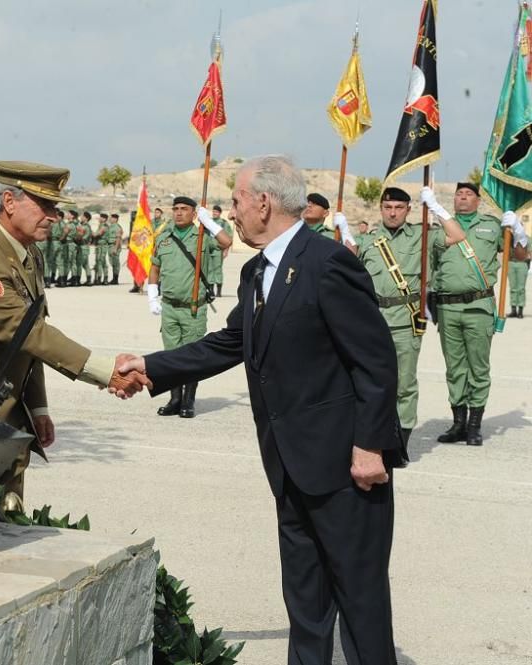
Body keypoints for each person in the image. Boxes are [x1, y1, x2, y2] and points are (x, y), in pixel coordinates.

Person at [117, 155, 404, 665]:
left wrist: (370, 446)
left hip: (344, 467)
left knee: (360, 603)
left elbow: (376, 361)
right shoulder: (256, 271)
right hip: (289, 464)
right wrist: (151, 365)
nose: (232, 212)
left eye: (237, 201)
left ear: (264, 202)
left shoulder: (328, 262)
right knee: (306, 602)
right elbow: (230, 342)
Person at [0, 160, 147, 511]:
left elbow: (25, 337)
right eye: (45, 205)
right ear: (9, 202)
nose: (54, 215)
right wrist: (105, 370)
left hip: (0, 410)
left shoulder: (27, 255)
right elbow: (28, 333)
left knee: (1, 523)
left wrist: (37, 407)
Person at [357, 187, 465, 449]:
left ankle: (401, 440)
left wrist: (436, 207)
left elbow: (457, 235)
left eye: (398, 207)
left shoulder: (421, 237)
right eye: (387, 207)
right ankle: (374, 435)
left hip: (405, 321)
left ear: (408, 209)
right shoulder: (367, 241)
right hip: (373, 322)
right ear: (380, 209)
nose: (392, 213)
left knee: (404, 383)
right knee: (369, 382)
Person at [428, 183, 529, 445]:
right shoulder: (440, 231)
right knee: (454, 368)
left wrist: (519, 232)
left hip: (478, 307)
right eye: (458, 194)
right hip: (448, 308)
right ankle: (458, 423)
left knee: (478, 368)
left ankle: (474, 425)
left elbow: (520, 255)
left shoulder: (493, 226)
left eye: (468, 194)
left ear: (477, 200)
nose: (462, 198)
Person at [146, 196, 232, 418]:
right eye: (175, 209)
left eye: (184, 209)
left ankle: (188, 400)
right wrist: (153, 295)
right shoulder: (164, 238)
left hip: (193, 307)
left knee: (192, 356)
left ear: (194, 213)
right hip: (170, 308)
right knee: (171, 355)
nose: (178, 212)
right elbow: (154, 268)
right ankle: (175, 398)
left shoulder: (202, 237)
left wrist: (208, 222)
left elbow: (226, 242)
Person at [93, 213, 111, 284]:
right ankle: (100, 278)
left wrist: (90, 232)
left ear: (104, 219)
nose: (99, 219)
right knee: (99, 261)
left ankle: (102, 279)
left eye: (100, 218)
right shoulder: (101, 225)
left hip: (102, 246)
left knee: (101, 261)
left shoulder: (104, 226)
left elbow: (98, 234)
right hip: (99, 245)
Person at [106, 212, 123, 284]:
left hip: (114, 245)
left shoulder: (117, 227)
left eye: (112, 218)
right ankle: (114, 278)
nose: (110, 219)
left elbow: (118, 238)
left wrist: (115, 248)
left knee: (115, 263)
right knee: (112, 262)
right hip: (110, 245)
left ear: (115, 219)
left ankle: (115, 279)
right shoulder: (111, 226)